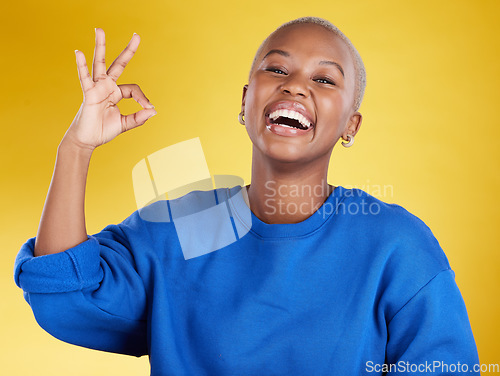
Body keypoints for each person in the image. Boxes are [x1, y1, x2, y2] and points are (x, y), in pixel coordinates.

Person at [14, 17, 480, 375]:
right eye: (276, 68)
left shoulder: (394, 245)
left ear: (350, 126)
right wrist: (76, 147)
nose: (294, 84)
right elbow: (64, 294)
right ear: (245, 101)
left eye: (324, 79)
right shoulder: (183, 229)